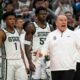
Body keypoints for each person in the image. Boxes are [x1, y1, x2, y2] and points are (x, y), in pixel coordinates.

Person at [40, 14, 80, 80]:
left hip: (69, 67)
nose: (63, 22)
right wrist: (39, 54)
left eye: (65, 20)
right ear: (56, 23)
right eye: (61, 20)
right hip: (55, 68)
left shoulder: (73, 34)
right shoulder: (51, 35)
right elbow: (45, 50)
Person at [0, 12, 35, 80]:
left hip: (19, 61)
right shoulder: (2, 32)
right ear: (5, 21)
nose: (12, 21)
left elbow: (20, 49)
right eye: (10, 19)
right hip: (8, 61)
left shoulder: (16, 31)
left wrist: (24, 64)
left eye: (13, 19)